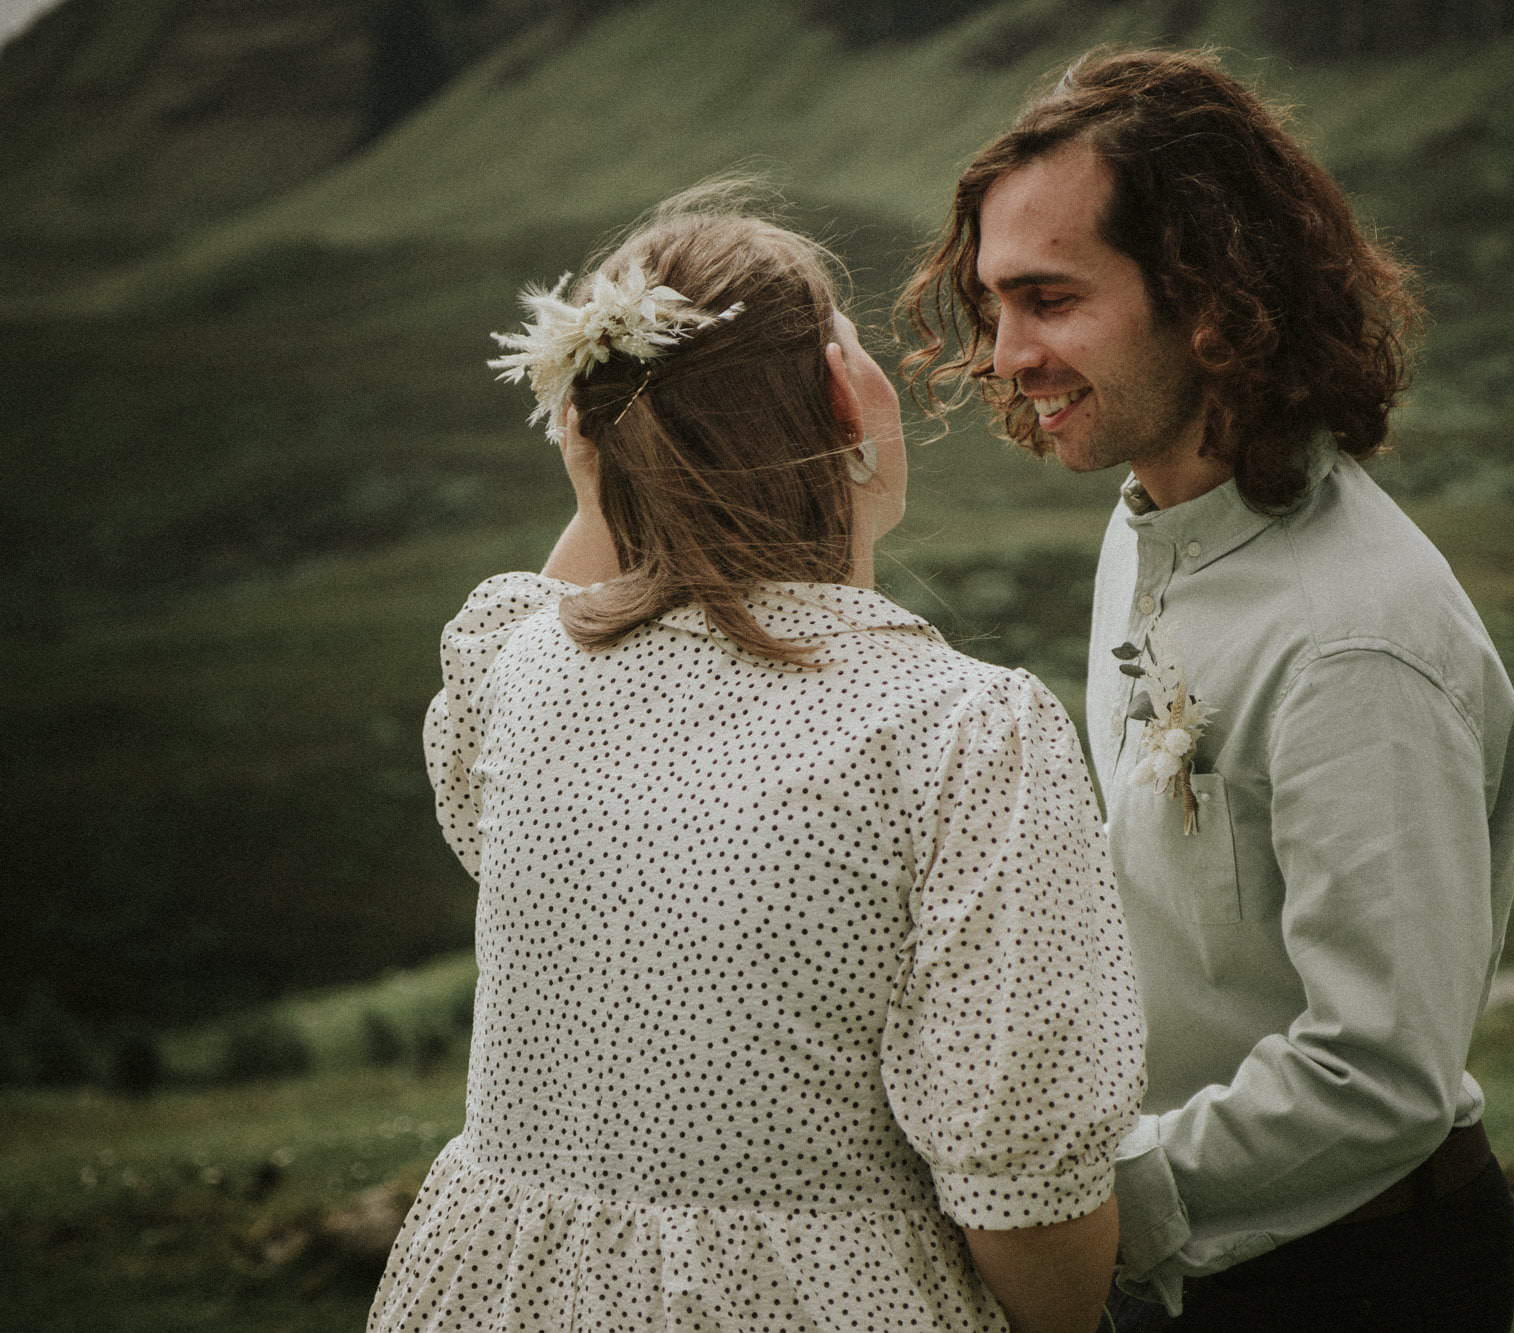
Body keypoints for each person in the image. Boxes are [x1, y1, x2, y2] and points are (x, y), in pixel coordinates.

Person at [368, 182, 1144, 1333]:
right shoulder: (955, 731)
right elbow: (1020, 1186)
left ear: (589, 426)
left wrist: (612, 482)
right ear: (844, 390)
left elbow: (574, 597)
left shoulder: (515, 672)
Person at [902, 50, 1514, 1331]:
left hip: (1348, 1279)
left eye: (1049, 298)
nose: (1007, 353)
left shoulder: (1354, 642)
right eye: (993, 303)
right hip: (1180, 1259)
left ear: (1209, 297)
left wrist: (1084, 1211)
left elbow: (1382, 1070)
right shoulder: (1144, 521)